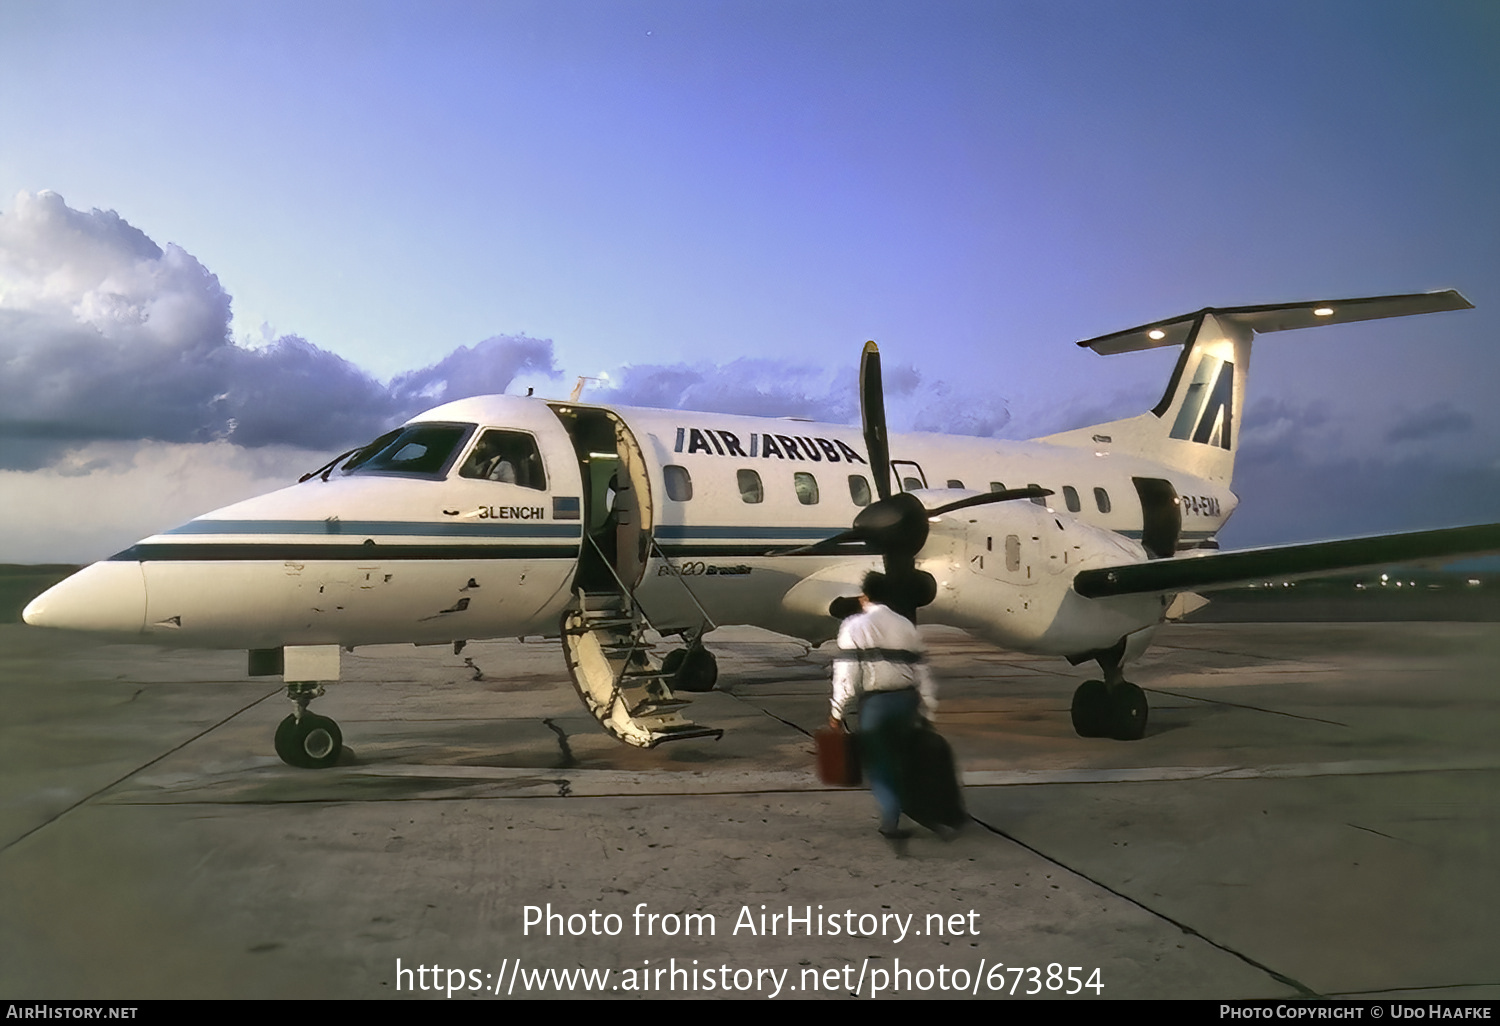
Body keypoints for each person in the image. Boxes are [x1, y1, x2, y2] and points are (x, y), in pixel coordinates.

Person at [829, 572, 937, 841]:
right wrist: (929, 709)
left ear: (864, 596)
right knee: (904, 757)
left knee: (880, 763)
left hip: (876, 705)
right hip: (907, 700)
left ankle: (891, 819)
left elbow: (847, 673)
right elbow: (921, 669)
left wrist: (836, 711)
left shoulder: (854, 625)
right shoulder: (905, 625)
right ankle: (915, 804)